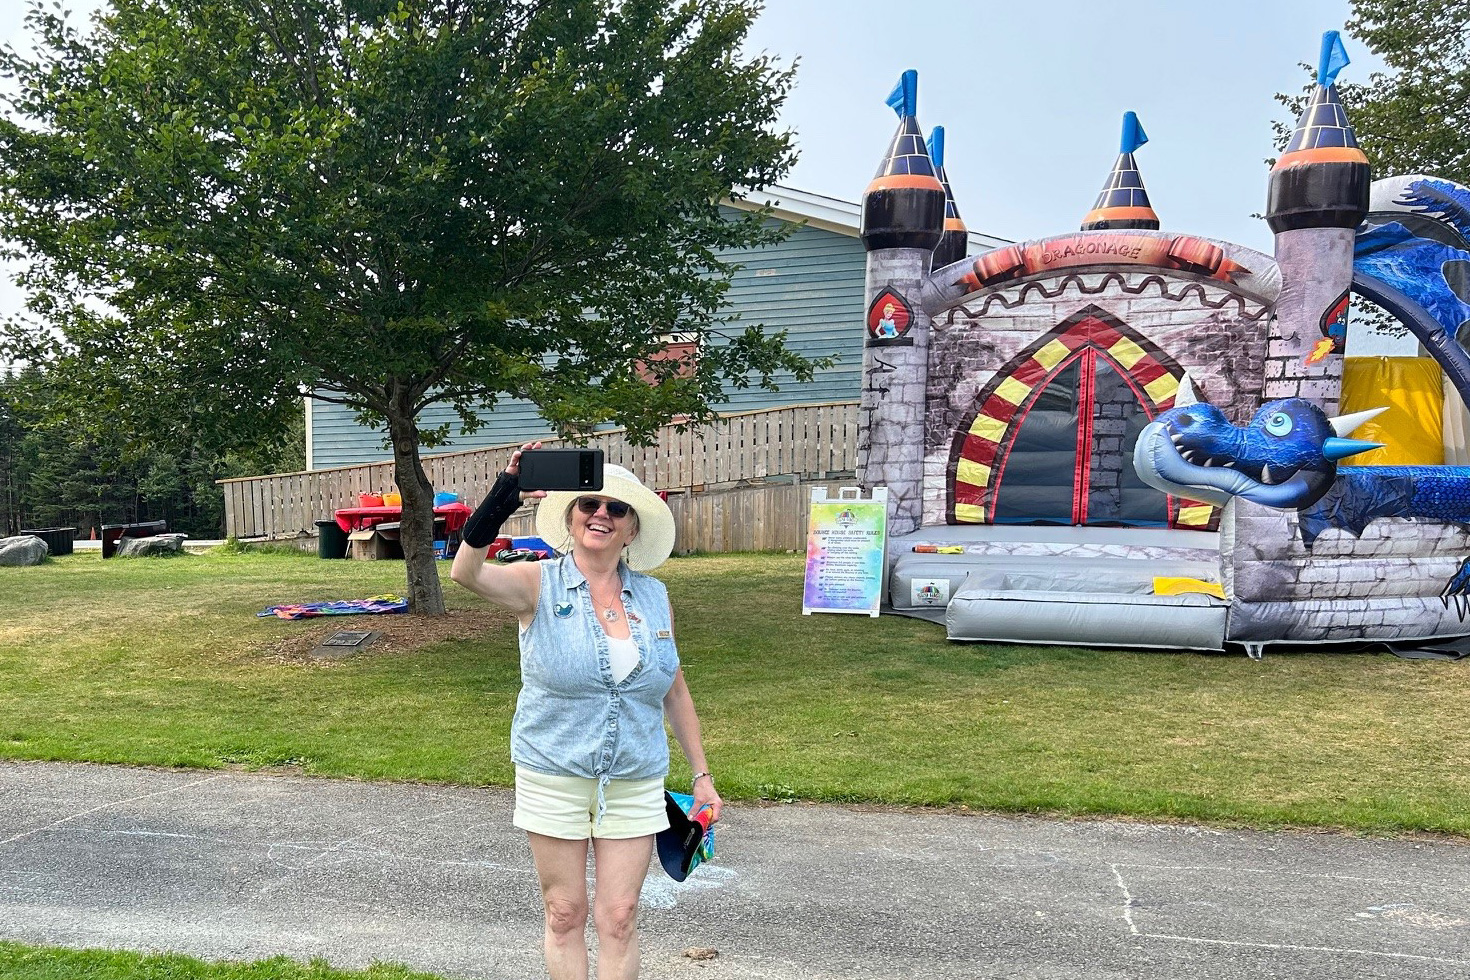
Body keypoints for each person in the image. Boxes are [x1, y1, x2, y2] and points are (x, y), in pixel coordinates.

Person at [449, 442, 722, 980]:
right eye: (588, 504)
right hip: (553, 770)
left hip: (634, 775)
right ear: (572, 517)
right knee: (564, 912)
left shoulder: (654, 596)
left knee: (619, 916)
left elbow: (674, 688)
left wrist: (702, 774)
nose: (601, 513)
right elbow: (465, 572)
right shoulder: (536, 584)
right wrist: (505, 493)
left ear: (632, 529)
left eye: (616, 509)